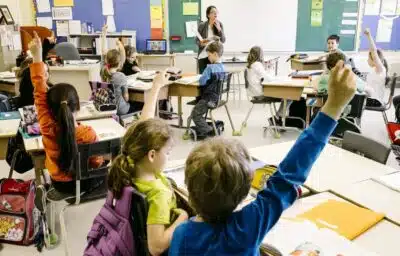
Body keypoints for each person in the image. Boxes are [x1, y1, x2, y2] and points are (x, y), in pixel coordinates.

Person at [169, 60, 357, 255]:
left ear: (190, 190)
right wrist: (334, 106)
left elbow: (286, 180)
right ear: (243, 195)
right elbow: (287, 178)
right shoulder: (245, 228)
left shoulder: (181, 234)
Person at [107, 71, 188, 256]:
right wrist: (182, 218)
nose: (168, 156)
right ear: (151, 155)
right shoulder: (158, 194)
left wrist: (156, 88)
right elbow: (156, 246)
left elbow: (144, 125)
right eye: (167, 152)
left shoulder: (130, 163)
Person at [29, 31, 104, 195]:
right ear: (77, 106)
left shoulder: (46, 124)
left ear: (50, 108)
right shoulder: (86, 133)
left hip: (59, 184)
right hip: (84, 184)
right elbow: (96, 162)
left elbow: (40, 93)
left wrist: (37, 57)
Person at [246, 46, 293, 126]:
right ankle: (277, 117)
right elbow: (268, 78)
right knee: (289, 95)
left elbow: (263, 77)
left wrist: (267, 68)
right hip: (260, 94)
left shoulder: (252, 65)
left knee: (288, 95)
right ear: (260, 55)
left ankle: (278, 117)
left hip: (255, 92)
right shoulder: (257, 65)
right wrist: (271, 68)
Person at [101, 28, 143, 115]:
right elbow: (126, 98)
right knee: (142, 104)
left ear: (107, 60)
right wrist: (119, 44)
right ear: (119, 62)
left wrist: (104, 34)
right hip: (121, 110)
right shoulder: (120, 76)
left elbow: (103, 52)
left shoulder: (103, 72)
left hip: (108, 108)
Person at [191, 41, 225, 138]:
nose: (208, 58)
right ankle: (210, 127)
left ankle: (210, 131)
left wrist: (203, 77)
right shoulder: (222, 67)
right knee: (197, 112)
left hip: (208, 99)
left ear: (215, 54)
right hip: (216, 98)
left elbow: (202, 82)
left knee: (195, 114)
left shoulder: (209, 68)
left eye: (209, 55)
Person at [196, 6, 226, 74]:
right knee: (203, 78)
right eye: (213, 12)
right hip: (203, 55)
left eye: (216, 12)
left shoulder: (219, 24)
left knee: (214, 79)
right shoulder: (202, 25)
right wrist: (201, 44)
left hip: (215, 56)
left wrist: (219, 30)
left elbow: (223, 40)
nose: (215, 14)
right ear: (208, 15)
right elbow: (196, 40)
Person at [364, 28, 389, 107]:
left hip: (375, 101)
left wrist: (368, 35)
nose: (367, 60)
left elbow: (373, 50)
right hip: (371, 99)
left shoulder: (380, 69)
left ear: (374, 59)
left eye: (368, 58)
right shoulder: (376, 70)